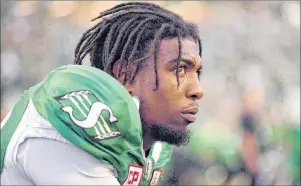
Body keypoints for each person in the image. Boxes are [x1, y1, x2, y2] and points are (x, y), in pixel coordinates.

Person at [0, 2, 203, 185]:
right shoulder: (70, 125)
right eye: (179, 69)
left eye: (197, 73)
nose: (198, 90)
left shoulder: (153, 146)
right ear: (126, 75)